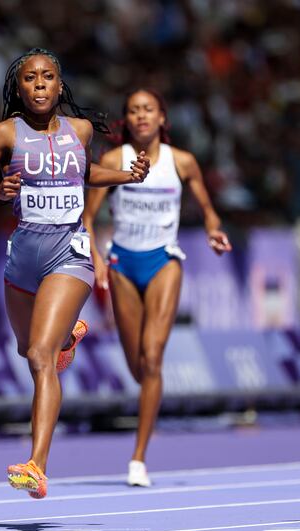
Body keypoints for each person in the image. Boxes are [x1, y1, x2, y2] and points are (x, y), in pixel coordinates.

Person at [0, 48, 150, 499]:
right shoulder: (3, 134)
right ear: (19, 88)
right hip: (22, 258)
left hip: (70, 254)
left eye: (48, 77)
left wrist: (128, 176)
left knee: (41, 357)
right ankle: (68, 336)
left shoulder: (80, 130)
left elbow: (88, 172)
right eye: (30, 78)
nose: (40, 84)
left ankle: (36, 465)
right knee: (30, 349)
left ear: (60, 87)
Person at [82, 89, 232, 488]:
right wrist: (96, 257)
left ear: (162, 118)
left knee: (153, 358)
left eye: (148, 109)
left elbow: (208, 209)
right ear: (127, 121)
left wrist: (215, 230)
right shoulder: (113, 161)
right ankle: (145, 408)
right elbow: (88, 217)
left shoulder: (182, 162)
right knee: (137, 366)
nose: (141, 116)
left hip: (164, 260)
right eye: (133, 111)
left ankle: (138, 457)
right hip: (123, 265)